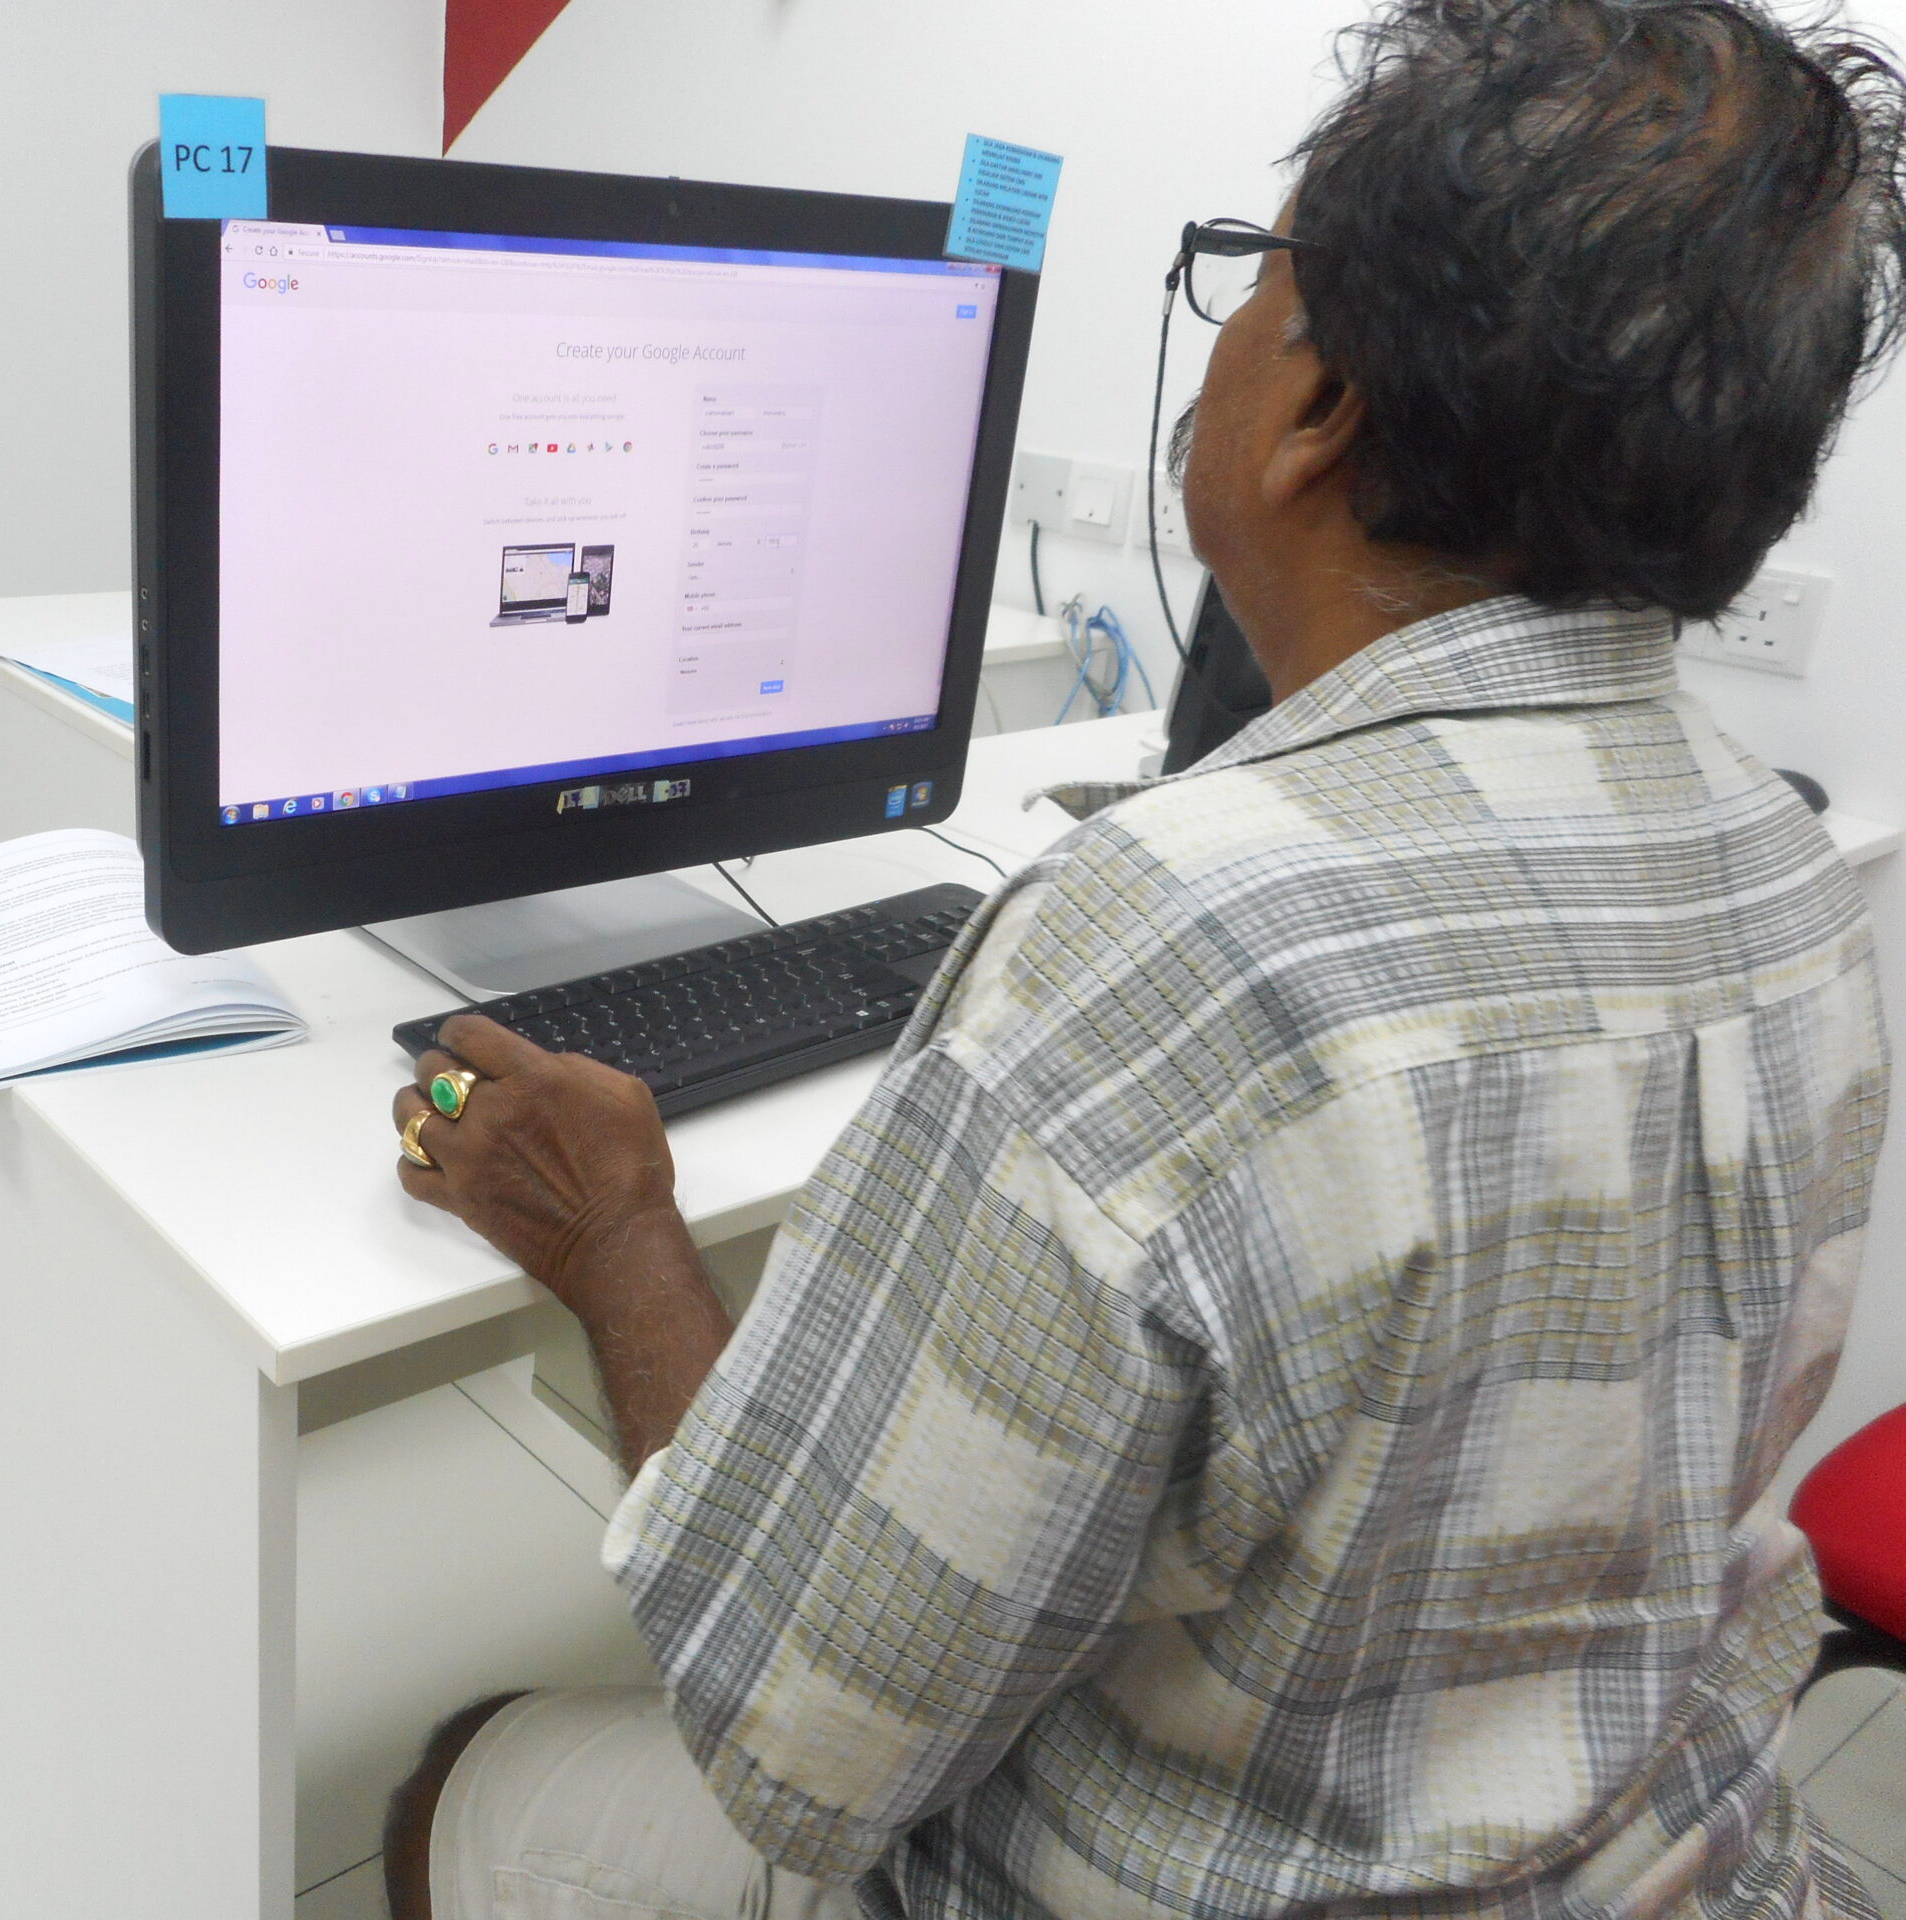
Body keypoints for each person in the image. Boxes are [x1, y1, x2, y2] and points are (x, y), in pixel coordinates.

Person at [381, 3, 1905, 1915]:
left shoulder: (1171, 943)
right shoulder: (1782, 865)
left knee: (457, 1775)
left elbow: (789, 1741)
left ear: (1319, 404)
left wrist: (615, 1236)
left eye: (1252, 275)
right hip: (1688, 1860)